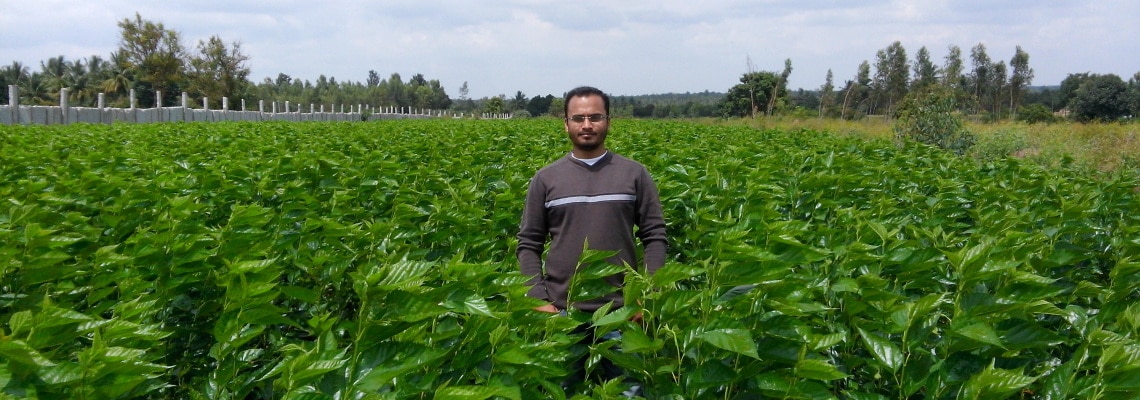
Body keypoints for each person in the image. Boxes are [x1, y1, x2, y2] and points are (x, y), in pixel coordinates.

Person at [516, 86, 668, 394]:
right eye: (579, 118)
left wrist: (646, 296)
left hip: (623, 312)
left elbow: (655, 237)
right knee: (561, 390)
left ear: (608, 121)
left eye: (595, 117)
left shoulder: (634, 174)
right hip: (563, 312)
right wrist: (537, 298)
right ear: (566, 123)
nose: (587, 125)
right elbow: (528, 243)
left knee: (629, 391)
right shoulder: (546, 179)